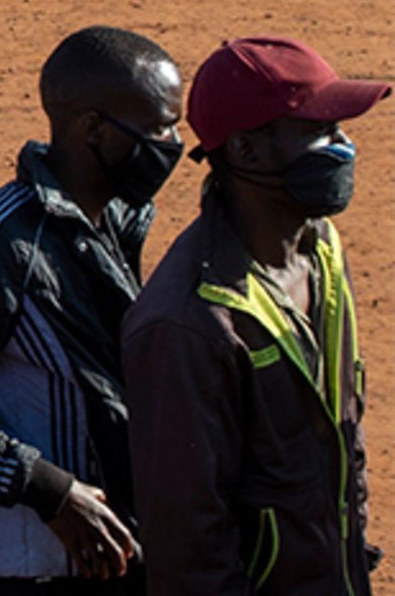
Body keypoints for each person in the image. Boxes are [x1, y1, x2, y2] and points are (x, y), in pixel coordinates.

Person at [0, 26, 184, 594]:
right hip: (35, 564)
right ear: (92, 129)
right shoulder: (4, 241)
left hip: (115, 553)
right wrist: (46, 489)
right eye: (159, 128)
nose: (172, 144)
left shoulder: (118, 219)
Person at [124, 36, 381, 592]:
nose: (344, 146)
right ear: (245, 151)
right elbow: (188, 545)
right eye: (321, 131)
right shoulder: (188, 323)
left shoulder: (321, 251)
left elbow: (342, 435)